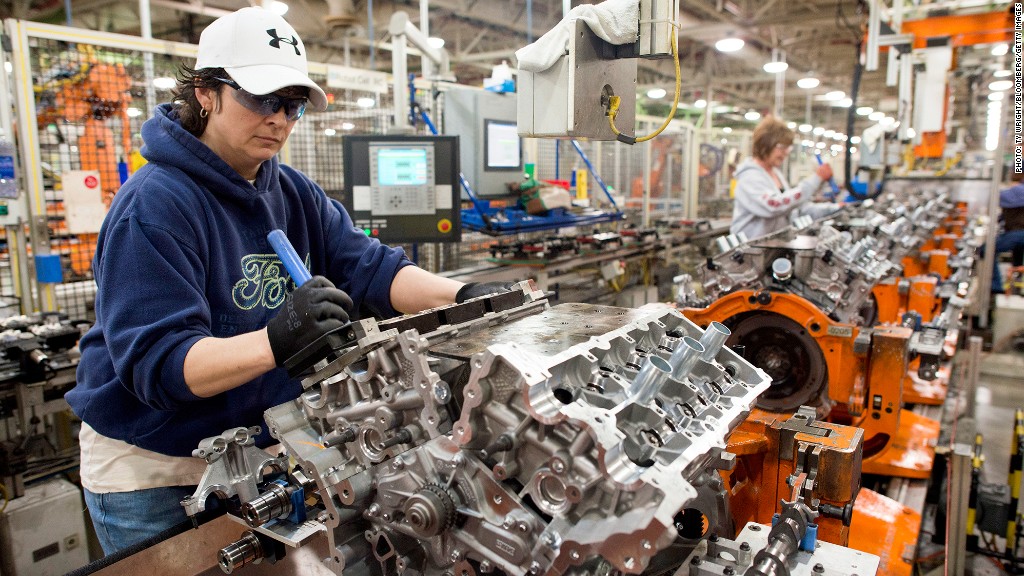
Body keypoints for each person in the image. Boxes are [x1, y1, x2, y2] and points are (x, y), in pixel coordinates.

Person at [65, 6, 508, 555]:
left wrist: (465, 298)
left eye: (292, 105)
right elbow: (160, 366)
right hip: (155, 463)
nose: (279, 118)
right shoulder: (154, 206)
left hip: (255, 448)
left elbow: (371, 268)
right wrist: (278, 340)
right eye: (260, 98)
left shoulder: (291, 191)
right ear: (206, 92)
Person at [730, 117, 834, 239]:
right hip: (750, 252)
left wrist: (835, 208)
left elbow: (795, 209)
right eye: (781, 147)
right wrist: (815, 179)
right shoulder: (749, 177)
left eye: (788, 148)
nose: (786, 153)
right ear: (765, 144)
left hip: (772, 247)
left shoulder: (775, 173)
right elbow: (774, 206)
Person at [991, 170, 1024, 293]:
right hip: (1016, 236)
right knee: (1018, 255)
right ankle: (1017, 282)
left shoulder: (1014, 191)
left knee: (986, 250)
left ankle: (996, 286)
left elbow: (1000, 198)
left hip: (1016, 234)